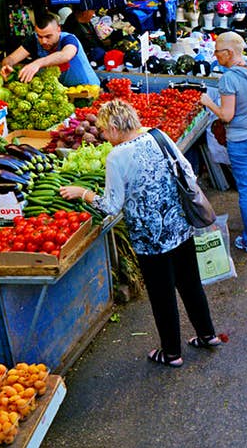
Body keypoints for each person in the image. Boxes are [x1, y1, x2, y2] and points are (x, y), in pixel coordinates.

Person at [59, 99, 218, 368]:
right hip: (179, 226)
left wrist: (83, 193)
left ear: (113, 127)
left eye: (104, 131)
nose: (103, 136)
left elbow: (111, 206)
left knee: (162, 295)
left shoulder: (117, 156)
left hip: (149, 239)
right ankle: (207, 335)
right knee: (191, 284)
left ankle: (171, 353)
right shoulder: (159, 135)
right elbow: (187, 173)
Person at [200, 33, 247, 254]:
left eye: (218, 51)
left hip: (241, 140)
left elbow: (227, 115)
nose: (215, 55)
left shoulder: (228, 79)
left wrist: (208, 102)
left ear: (229, 53)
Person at [0, 8, 100, 87]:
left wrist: (38, 63)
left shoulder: (69, 39)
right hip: (64, 93)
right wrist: (7, 65)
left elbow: (65, 55)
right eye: (40, 36)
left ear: (58, 30)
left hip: (88, 89)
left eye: (48, 36)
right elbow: (11, 58)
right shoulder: (33, 40)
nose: (43, 41)